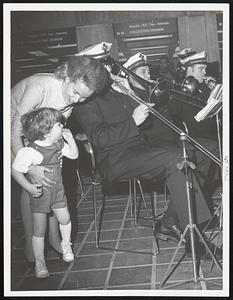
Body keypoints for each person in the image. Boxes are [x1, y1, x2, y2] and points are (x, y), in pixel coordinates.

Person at [73, 45, 221, 260]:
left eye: (108, 64)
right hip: (116, 158)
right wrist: (133, 120)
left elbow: (148, 118)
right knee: (179, 159)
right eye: (103, 65)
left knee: (198, 152)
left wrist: (130, 92)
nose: (107, 70)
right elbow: (100, 138)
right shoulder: (86, 100)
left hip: (140, 148)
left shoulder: (117, 89)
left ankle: (170, 222)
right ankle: (194, 241)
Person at [11, 55, 108, 262]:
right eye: (75, 93)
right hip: (11, 123)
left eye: (84, 98)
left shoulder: (72, 99)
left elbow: (55, 136)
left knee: (53, 180)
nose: (76, 101)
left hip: (39, 127)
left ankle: (55, 238)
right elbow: (15, 132)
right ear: (67, 77)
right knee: (30, 181)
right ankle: (31, 243)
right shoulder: (41, 87)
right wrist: (29, 168)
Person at [12, 108, 78, 278]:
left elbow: (73, 155)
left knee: (65, 219)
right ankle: (40, 260)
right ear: (46, 131)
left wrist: (71, 141)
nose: (63, 126)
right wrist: (28, 187)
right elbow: (16, 171)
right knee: (39, 230)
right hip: (41, 195)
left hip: (58, 192)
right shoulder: (30, 151)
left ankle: (66, 245)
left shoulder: (57, 144)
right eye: (58, 125)